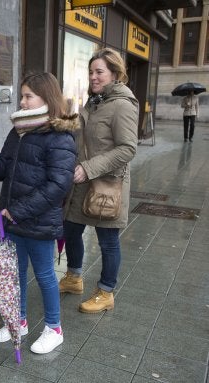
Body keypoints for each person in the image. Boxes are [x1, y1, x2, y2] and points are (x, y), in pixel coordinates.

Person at [0, 72, 78, 354]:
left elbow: (59, 185)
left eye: (28, 96)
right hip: (13, 220)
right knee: (16, 274)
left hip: (37, 220)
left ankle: (54, 328)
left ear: (46, 99)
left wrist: (19, 210)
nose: (21, 102)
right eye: (21, 96)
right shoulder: (19, 131)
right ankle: (18, 322)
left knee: (46, 275)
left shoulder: (59, 135)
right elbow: (3, 170)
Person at [59, 48, 138, 314]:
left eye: (99, 72)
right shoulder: (96, 101)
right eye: (91, 72)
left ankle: (105, 292)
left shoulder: (122, 105)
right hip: (82, 183)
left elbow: (128, 149)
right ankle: (74, 277)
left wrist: (89, 168)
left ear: (115, 74)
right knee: (71, 230)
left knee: (108, 240)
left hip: (107, 186)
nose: (93, 77)